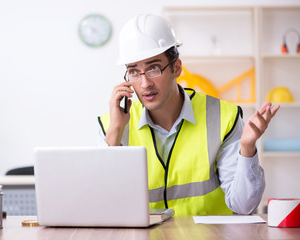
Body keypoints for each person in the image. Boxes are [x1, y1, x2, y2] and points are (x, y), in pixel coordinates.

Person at [97, 14, 280, 215]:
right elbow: (100, 205)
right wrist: (115, 131)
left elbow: (244, 206)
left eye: (154, 68)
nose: (145, 83)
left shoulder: (223, 117)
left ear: (176, 68)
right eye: (134, 72)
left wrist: (247, 148)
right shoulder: (113, 125)